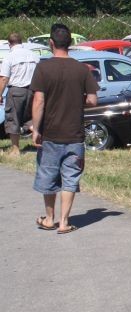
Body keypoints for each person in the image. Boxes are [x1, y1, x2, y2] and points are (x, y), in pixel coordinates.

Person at [29, 24, 99, 234]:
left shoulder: (43, 68)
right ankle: (64, 222)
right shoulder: (82, 69)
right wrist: (76, 100)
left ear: (51, 43)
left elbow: (39, 101)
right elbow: (93, 100)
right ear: (70, 43)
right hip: (74, 135)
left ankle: (49, 219)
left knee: (48, 175)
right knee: (70, 178)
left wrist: (35, 129)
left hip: (50, 134)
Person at [0, 32, 40, 155]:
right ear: (21, 42)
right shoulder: (33, 55)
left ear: (9, 44)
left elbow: (4, 78)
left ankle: (15, 150)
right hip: (32, 90)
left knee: (13, 118)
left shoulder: (10, 57)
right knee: (29, 118)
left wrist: (0, 94)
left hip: (16, 90)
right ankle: (39, 141)